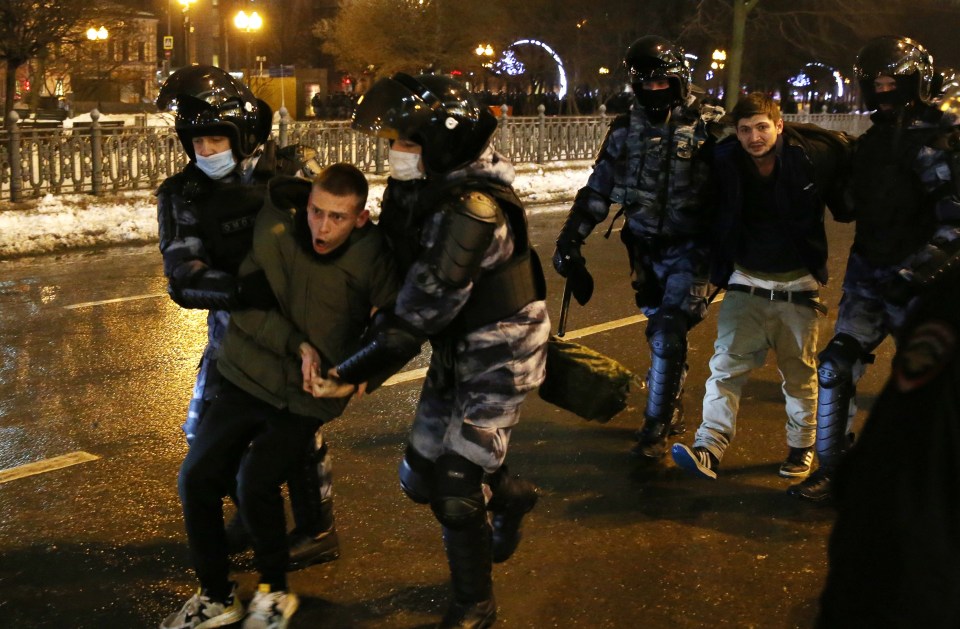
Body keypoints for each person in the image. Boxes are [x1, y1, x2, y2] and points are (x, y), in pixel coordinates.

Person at [334, 72, 549, 629]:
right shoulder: (424, 189)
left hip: (502, 352)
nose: (395, 154)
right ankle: (510, 492)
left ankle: (475, 602)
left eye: (405, 142)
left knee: (455, 487)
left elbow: (420, 310)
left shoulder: (470, 212)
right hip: (458, 348)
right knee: (419, 479)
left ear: (440, 142)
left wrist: (352, 374)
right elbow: (396, 265)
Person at [161, 163, 400, 629]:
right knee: (197, 478)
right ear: (305, 203)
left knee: (256, 479)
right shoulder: (274, 230)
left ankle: (273, 591)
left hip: (307, 396)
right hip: (247, 372)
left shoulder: (373, 256)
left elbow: (393, 330)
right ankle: (215, 593)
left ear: (360, 218)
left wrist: (352, 377)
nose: (322, 227)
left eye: (337, 217)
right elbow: (246, 306)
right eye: (316, 212)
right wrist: (298, 344)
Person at [155, 65, 339, 569]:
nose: (206, 152)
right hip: (231, 332)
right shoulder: (183, 194)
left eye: (216, 138)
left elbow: (334, 235)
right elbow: (183, 276)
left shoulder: (293, 169)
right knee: (205, 430)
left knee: (298, 431)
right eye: (197, 142)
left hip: (298, 327)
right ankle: (253, 511)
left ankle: (316, 528)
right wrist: (238, 288)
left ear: (243, 133)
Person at [788, 36, 960, 502]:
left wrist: (919, 274)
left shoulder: (941, 138)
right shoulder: (869, 143)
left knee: (927, 384)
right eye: (876, 82)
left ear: (916, 80)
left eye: (893, 81)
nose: (884, 90)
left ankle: (930, 484)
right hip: (869, 273)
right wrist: (819, 169)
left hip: (925, 282)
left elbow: (956, 223)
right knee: (835, 366)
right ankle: (833, 471)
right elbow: (848, 208)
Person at [553, 35, 725, 459]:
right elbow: (599, 190)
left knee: (668, 331)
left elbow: (746, 188)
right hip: (645, 249)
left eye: (661, 83)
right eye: (645, 86)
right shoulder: (625, 130)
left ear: (679, 80)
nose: (654, 92)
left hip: (693, 248)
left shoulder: (711, 127)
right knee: (661, 331)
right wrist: (570, 241)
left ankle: (656, 426)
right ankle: (671, 396)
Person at [670, 92, 852, 479]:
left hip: (798, 289)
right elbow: (693, 196)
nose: (754, 137)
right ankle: (709, 448)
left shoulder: (808, 157)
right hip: (745, 285)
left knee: (800, 378)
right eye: (745, 129)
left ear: (779, 125)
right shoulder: (725, 161)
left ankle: (801, 448)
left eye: (762, 127)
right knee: (724, 370)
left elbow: (851, 182)